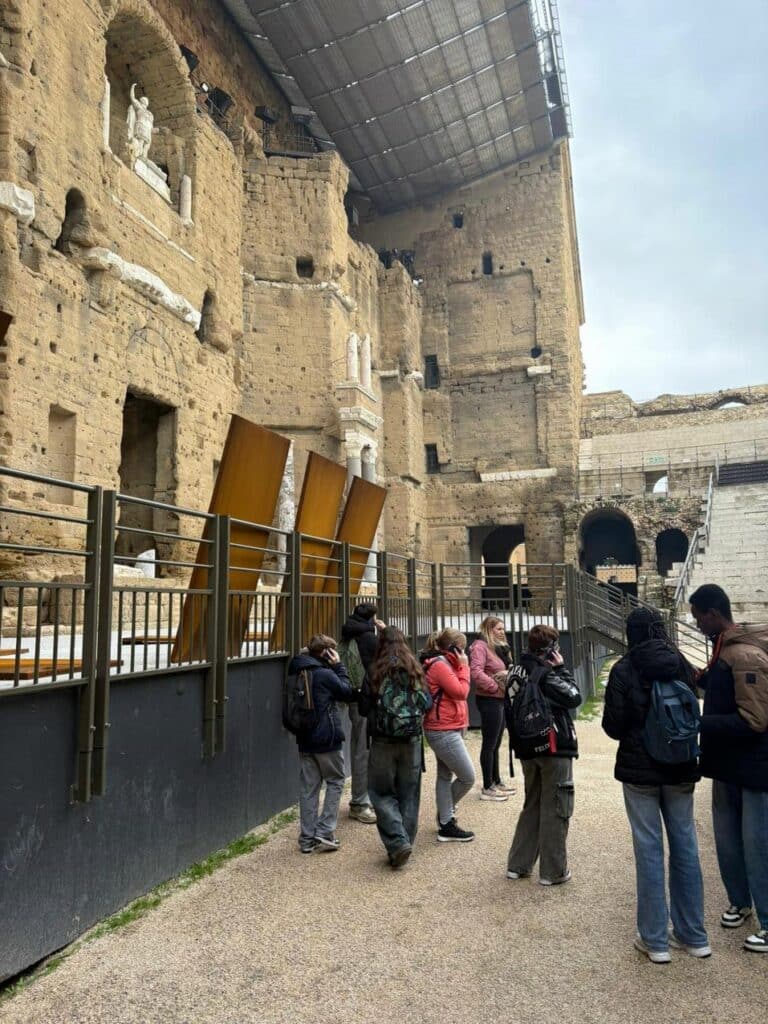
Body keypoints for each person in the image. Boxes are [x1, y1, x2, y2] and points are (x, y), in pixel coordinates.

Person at [602, 607, 710, 964]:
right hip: (680, 766)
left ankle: (655, 940)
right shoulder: (681, 663)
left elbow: (613, 727)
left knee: (649, 850)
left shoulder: (624, 668)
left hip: (640, 771)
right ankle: (694, 936)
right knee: (686, 846)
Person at [689, 583, 768, 954]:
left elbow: (755, 719)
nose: (697, 624)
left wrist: (699, 723)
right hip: (727, 765)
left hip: (754, 769)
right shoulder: (724, 646)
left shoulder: (745, 654)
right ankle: (740, 901)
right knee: (728, 840)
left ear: (713, 614)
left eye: (698, 618)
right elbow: (722, 688)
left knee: (758, 845)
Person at [506, 624, 581, 885]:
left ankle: (518, 865)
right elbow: (574, 697)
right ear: (551, 650)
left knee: (533, 804)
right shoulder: (547, 674)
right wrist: (561, 669)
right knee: (557, 807)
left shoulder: (515, 671)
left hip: (526, 747)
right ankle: (553, 871)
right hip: (553, 746)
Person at [359, 626, 432, 868]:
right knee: (409, 794)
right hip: (411, 740)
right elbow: (427, 703)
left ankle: (398, 843)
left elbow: (363, 708)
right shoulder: (414, 669)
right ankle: (403, 844)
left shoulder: (374, 670)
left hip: (382, 740)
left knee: (381, 793)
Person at [287, 634, 357, 854]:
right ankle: (325, 830)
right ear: (327, 653)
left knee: (309, 788)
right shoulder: (325, 674)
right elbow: (347, 691)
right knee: (336, 781)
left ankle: (307, 839)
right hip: (327, 738)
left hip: (305, 737)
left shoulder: (297, 670)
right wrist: (339, 667)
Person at [421, 628, 476, 842]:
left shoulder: (448, 663)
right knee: (467, 777)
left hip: (450, 726)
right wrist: (465, 667)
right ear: (452, 648)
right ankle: (445, 817)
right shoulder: (439, 666)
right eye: (461, 648)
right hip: (442, 729)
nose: (464, 653)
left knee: (445, 776)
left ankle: (446, 822)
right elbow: (461, 692)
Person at [339, 603, 386, 824]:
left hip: (352, 697)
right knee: (364, 751)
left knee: (359, 747)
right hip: (367, 700)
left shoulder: (347, 634)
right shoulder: (368, 638)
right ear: (372, 618)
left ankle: (363, 798)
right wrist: (384, 632)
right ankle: (359, 802)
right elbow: (391, 659)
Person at [469, 616, 516, 800]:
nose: (502, 632)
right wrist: (494, 686)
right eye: (498, 629)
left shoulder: (499, 648)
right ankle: (487, 786)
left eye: (503, 629)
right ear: (489, 629)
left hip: (500, 698)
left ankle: (496, 781)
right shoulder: (480, 647)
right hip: (489, 699)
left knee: (496, 743)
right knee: (489, 744)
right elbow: (476, 671)